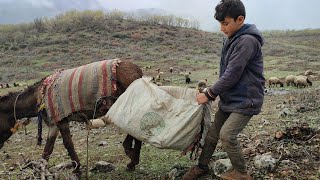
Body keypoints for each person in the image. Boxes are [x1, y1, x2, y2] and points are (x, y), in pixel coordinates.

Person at [182, 0, 265, 179]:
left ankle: (242, 173)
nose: (222, 28)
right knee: (212, 135)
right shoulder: (232, 39)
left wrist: (209, 94)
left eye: (225, 23)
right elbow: (228, 72)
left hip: (246, 100)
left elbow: (232, 73)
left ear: (240, 19)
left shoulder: (247, 41)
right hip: (231, 98)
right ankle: (202, 166)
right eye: (220, 23)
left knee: (227, 136)